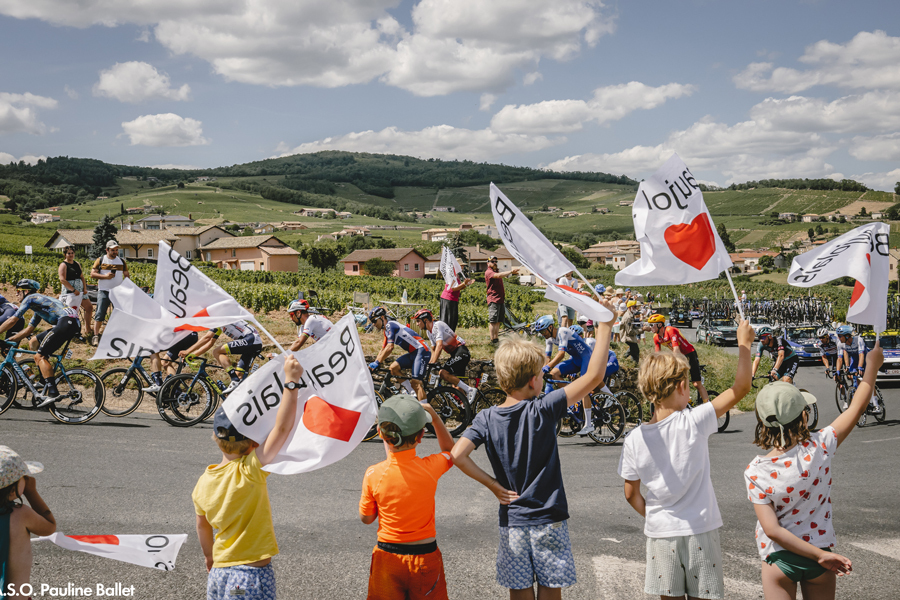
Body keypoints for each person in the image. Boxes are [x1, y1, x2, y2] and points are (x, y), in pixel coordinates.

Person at [450, 299, 615, 600]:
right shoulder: (545, 408)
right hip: (548, 519)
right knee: (551, 590)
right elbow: (593, 377)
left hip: (512, 522)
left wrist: (493, 486)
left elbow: (457, 455)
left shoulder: (486, 418)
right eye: (541, 374)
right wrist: (605, 326)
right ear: (532, 381)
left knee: (520, 593)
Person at [619, 320, 754, 600]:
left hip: (660, 533)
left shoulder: (634, 439)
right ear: (682, 386)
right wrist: (744, 344)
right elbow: (741, 388)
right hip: (700, 529)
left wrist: (655, 515)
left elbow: (631, 493)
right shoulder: (695, 421)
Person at [745, 343, 884, 600]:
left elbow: (772, 530)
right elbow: (856, 407)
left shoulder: (755, 471)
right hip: (820, 553)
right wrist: (872, 367)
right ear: (804, 416)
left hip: (779, 558)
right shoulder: (822, 444)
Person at [193, 355, 303, 600]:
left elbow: (202, 526)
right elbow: (282, 429)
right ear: (253, 443)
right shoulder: (250, 470)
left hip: (219, 575)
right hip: (248, 576)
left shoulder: (202, 483)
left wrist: (209, 557)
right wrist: (291, 382)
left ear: (215, 438)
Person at [359, 395, 455, 600]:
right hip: (425, 557)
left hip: (387, 558)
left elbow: (366, 518)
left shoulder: (373, 474)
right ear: (421, 436)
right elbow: (449, 451)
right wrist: (436, 418)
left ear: (381, 434)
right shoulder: (430, 467)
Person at [0, 279, 80, 406]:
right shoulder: (39, 305)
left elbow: (12, 320)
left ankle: (53, 392)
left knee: (40, 355)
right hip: (69, 322)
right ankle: (43, 380)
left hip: (66, 322)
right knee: (33, 342)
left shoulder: (30, 298)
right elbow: (28, 330)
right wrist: (8, 340)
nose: (16, 295)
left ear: (25, 291)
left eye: (18, 291)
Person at [1, 446, 56, 599]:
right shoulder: (20, 514)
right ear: (12, 489)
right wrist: (32, 492)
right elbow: (49, 526)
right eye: (23, 477)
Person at [181, 321, 263, 394]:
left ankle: (234, 378)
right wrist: (194, 355)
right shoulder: (219, 323)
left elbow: (207, 337)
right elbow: (210, 342)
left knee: (217, 351)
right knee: (239, 377)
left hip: (250, 339)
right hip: (254, 343)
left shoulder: (219, 318)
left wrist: (188, 351)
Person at [368, 307, 431, 401]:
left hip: (422, 351)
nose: (373, 324)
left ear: (382, 317)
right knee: (393, 368)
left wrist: (377, 362)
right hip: (414, 352)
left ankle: (425, 411)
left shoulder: (390, 325)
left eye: (374, 320)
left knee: (416, 383)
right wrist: (374, 363)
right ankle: (412, 393)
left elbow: (390, 347)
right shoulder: (386, 331)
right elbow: (382, 350)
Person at [646, 314, 709, 403]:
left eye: (652, 325)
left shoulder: (670, 330)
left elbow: (676, 349)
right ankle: (687, 401)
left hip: (689, 353)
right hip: (680, 356)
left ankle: (708, 405)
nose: (650, 327)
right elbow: (658, 355)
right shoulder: (656, 337)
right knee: (676, 381)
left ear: (660, 325)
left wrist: (672, 364)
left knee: (696, 384)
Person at [413, 308, 473, 402]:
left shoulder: (438, 325)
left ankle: (470, 390)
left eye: (418, 321)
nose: (417, 324)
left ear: (425, 320)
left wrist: (432, 363)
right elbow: (434, 349)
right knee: (456, 386)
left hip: (461, 351)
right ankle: (466, 407)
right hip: (455, 354)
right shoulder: (429, 332)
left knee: (443, 373)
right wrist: (430, 363)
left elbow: (439, 346)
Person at [89, 239, 129, 346]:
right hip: (104, 291)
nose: (115, 252)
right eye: (113, 250)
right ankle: (96, 336)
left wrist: (126, 287)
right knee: (100, 314)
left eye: (116, 250)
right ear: (107, 250)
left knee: (119, 314)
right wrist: (105, 277)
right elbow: (92, 274)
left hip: (118, 292)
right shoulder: (101, 260)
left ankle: (118, 335)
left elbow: (126, 275)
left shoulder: (122, 261)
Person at [57, 246, 93, 339]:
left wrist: (84, 288)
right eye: (69, 253)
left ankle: (88, 329)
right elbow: (62, 280)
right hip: (70, 292)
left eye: (72, 253)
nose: (71, 255)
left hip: (80, 292)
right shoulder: (63, 265)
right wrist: (73, 290)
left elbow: (82, 277)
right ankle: (67, 331)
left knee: (89, 308)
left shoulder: (77, 264)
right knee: (70, 312)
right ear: (65, 254)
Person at [485, 256, 519, 345]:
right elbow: (498, 276)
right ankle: (492, 339)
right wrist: (511, 271)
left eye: (496, 261)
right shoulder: (489, 272)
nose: (495, 263)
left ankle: (496, 338)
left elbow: (500, 275)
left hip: (500, 299)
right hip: (493, 299)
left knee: (498, 320)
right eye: (492, 261)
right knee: (493, 320)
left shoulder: (497, 271)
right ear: (488, 263)